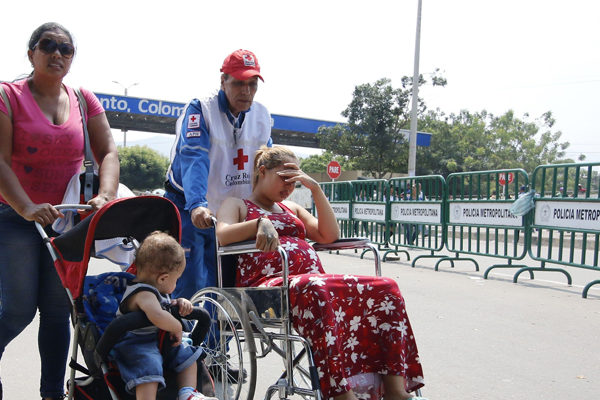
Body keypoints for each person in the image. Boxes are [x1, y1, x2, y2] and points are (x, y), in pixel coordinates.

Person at [216, 146, 426, 400]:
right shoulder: (237, 204)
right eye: (284, 178)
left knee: (386, 286)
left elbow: (328, 235)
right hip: (268, 287)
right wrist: (260, 223)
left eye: (295, 182)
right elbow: (223, 234)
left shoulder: (291, 208)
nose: (289, 187)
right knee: (316, 288)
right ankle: (341, 394)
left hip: (310, 281)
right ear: (263, 171)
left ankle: (395, 391)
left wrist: (315, 189)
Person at [0, 22, 119, 400]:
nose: (57, 54)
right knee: (18, 310)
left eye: (65, 49)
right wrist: (27, 206)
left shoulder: (84, 99)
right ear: (31, 52)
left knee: (56, 312)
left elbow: (109, 154)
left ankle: (52, 394)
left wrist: (106, 194)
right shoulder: (7, 96)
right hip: (14, 217)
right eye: (47, 45)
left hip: (67, 222)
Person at [165, 49, 272, 300]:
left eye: (252, 84)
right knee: (190, 280)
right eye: (238, 83)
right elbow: (194, 158)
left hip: (230, 212)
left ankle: (219, 338)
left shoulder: (262, 116)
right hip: (190, 205)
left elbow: (265, 165)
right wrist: (197, 205)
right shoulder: (201, 109)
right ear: (223, 81)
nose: (246, 91)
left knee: (228, 283)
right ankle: (187, 336)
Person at [111, 231, 215, 400]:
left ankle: (188, 392)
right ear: (163, 278)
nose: (176, 284)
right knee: (148, 367)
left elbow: (165, 306)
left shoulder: (158, 290)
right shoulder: (142, 294)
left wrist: (179, 302)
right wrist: (176, 326)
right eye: (176, 280)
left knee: (187, 353)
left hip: (159, 341)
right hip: (137, 344)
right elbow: (157, 314)